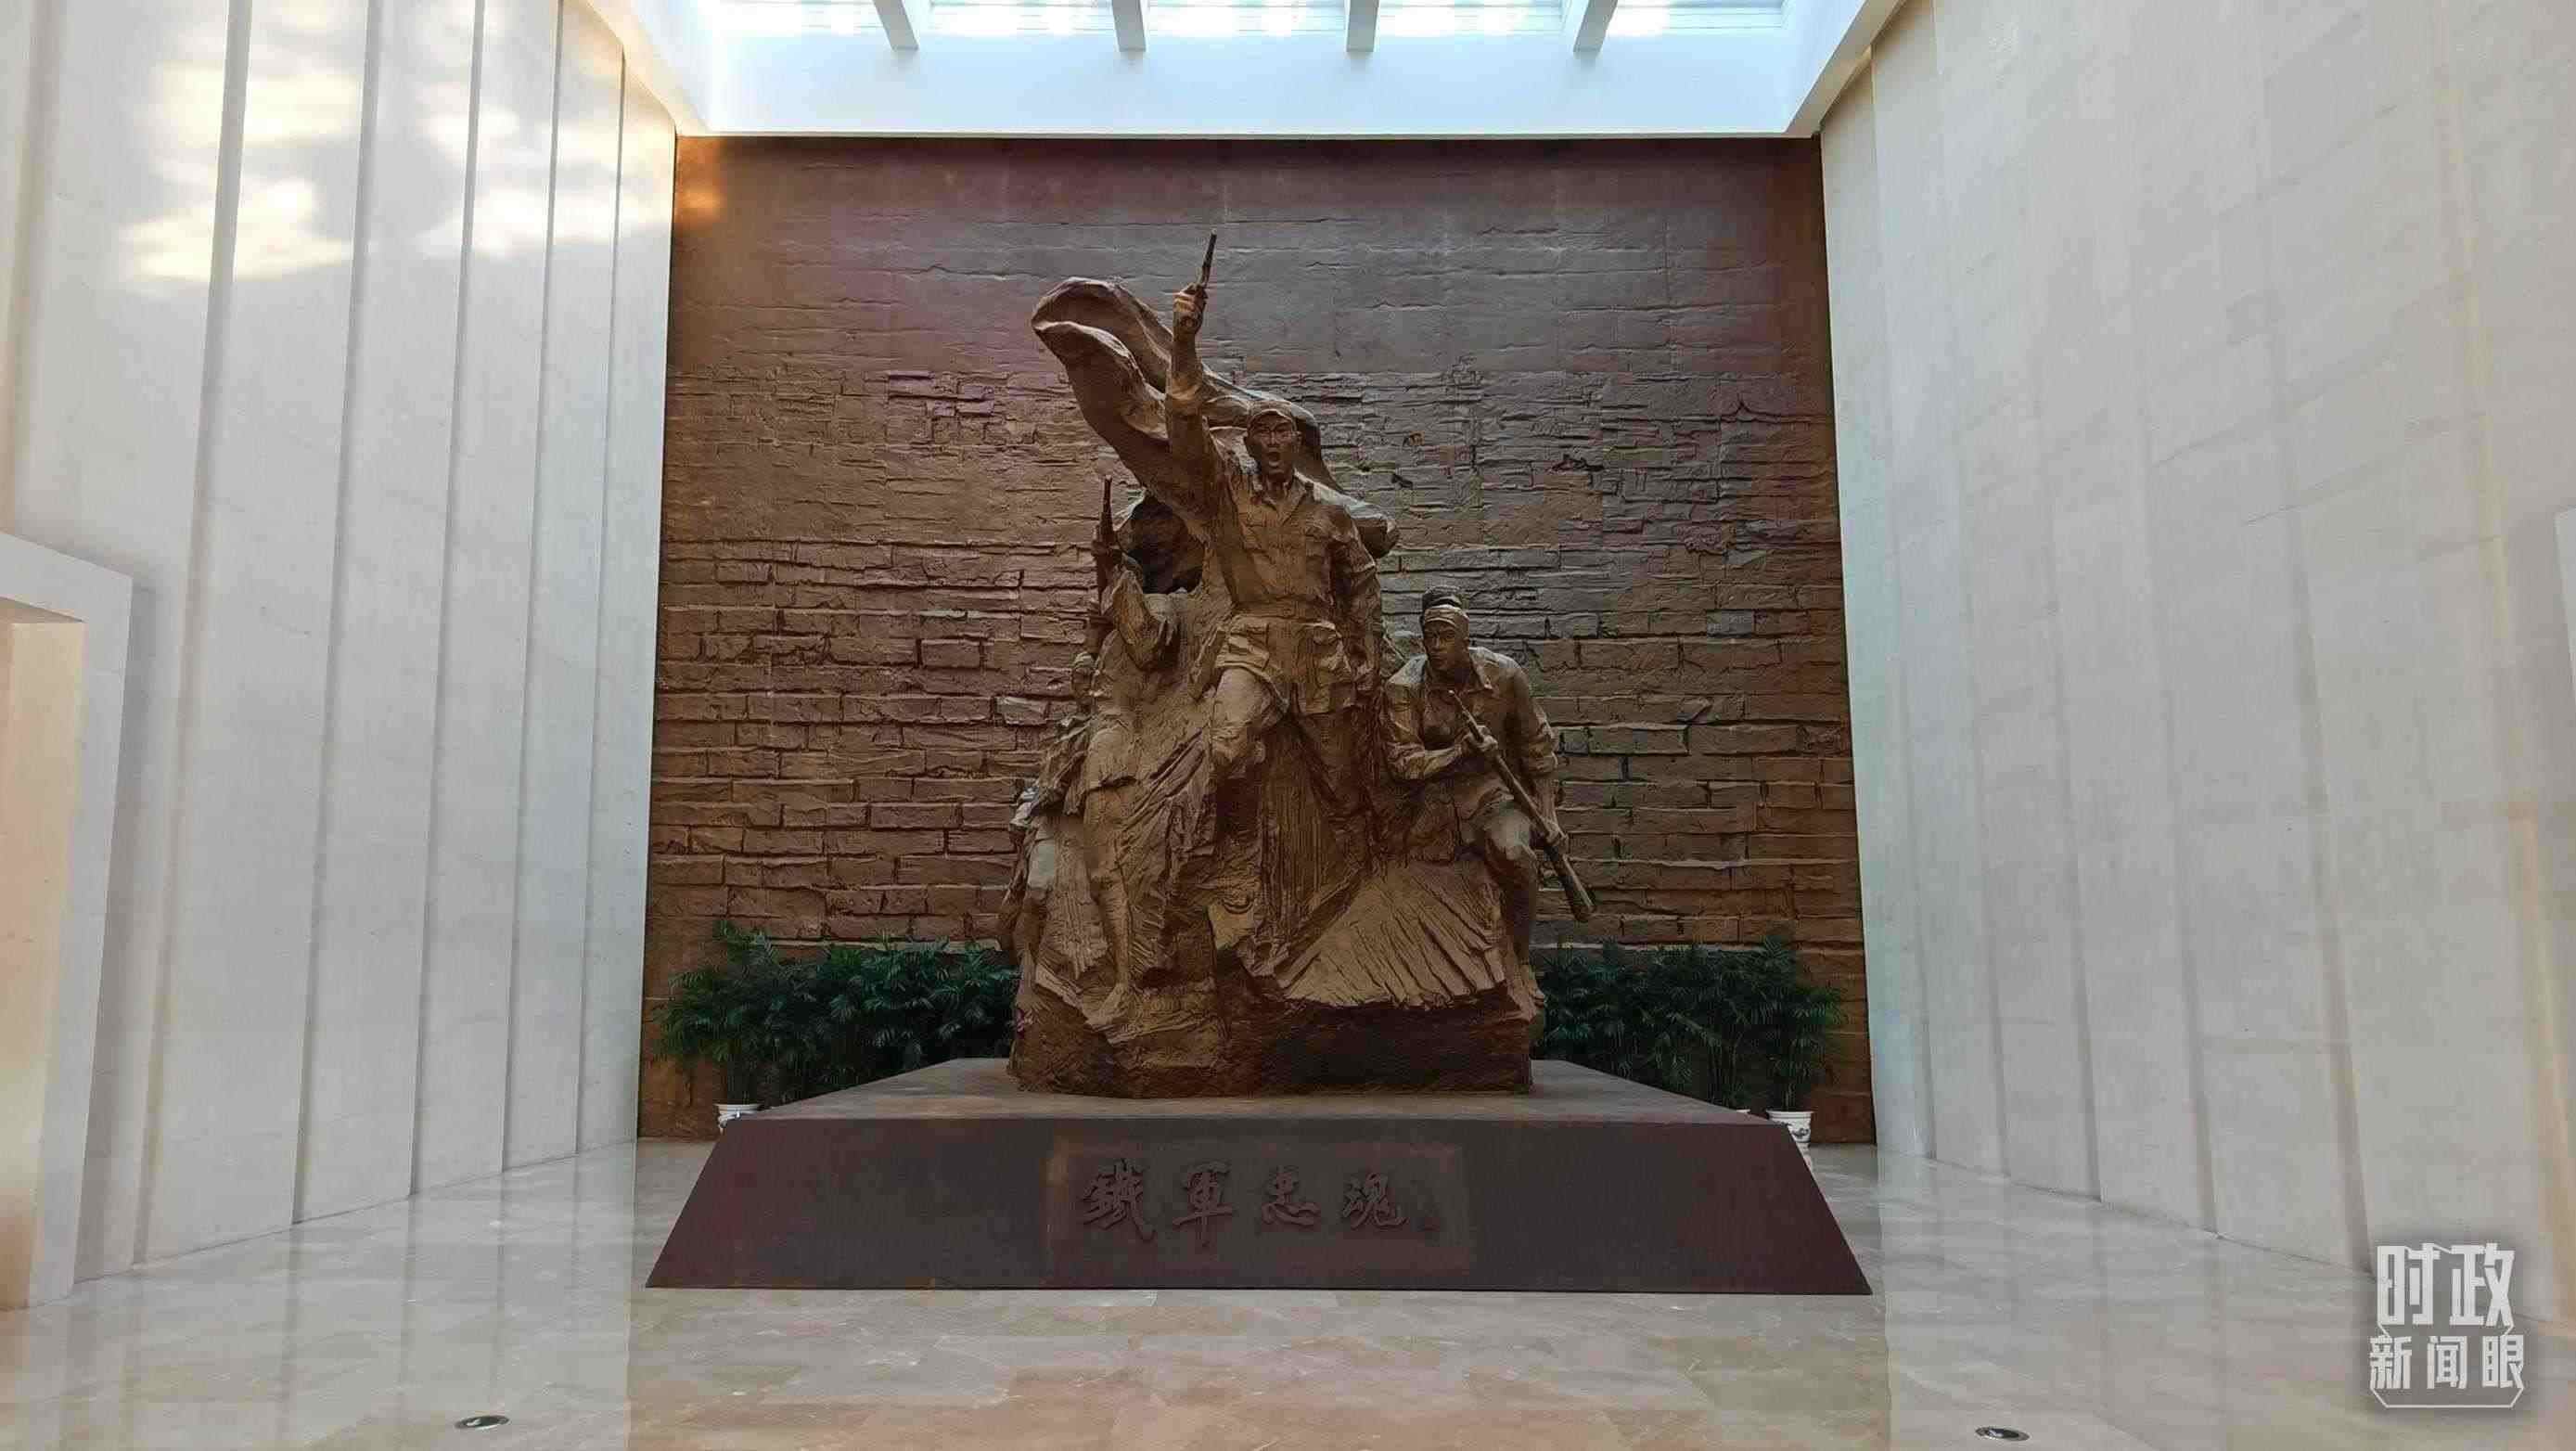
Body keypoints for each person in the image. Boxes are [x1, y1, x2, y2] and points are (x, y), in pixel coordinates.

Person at [1160, 279, 1380, 806]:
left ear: (1297, 443)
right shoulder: (1226, 491)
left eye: (1284, 433)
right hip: (1252, 643)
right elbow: (1185, 423)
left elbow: (1362, 581)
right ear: (1249, 443)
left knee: (1342, 784)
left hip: (1317, 648)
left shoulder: (1329, 510)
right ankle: (1239, 834)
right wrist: (1184, 341)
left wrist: (1366, 649)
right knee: (1227, 748)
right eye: (1264, 433)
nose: (1275, 442)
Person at [1380, 590, 1565, 965]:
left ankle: (1518, 962)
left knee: (1515, 855)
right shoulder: (1403, 687)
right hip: (1431, 802)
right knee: (1399, 880)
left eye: (1446, 637)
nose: (1436, 646)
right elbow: (1403, 763)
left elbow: (1537, 747)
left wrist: (1548, 816)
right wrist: (1459, 751)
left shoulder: (1505, 675)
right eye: (1430, 637)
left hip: (1493, 796)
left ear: (1466, 640)